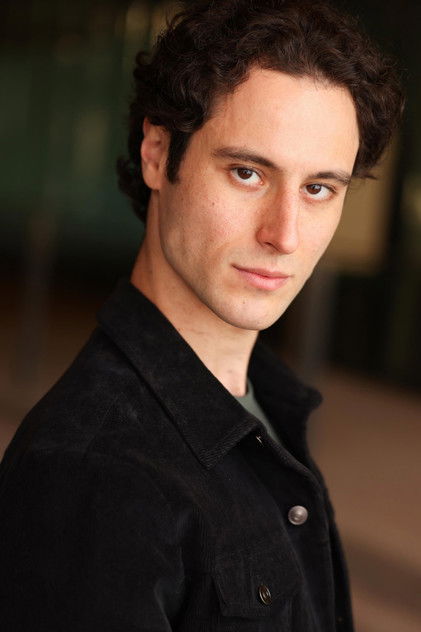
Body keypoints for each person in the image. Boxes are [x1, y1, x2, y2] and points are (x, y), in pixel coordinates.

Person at [0, 1, 403, 630]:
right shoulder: (92, 475)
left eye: (318, 188)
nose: (284, 235)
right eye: (247, 173)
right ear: (158, 153)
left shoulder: (264, 402)